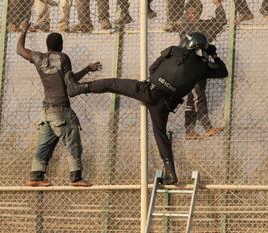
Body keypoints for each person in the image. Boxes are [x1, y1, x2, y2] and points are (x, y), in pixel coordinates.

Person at [65, 32, 228, 184]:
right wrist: (213, 55)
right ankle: (171, 173)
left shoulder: (173, 51)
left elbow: (152, 70)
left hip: (149, 92)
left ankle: (79, 88)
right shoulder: (203, 67)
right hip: (165, 104)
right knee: (160, 134)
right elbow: (223, 71)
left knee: (112, 84)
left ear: (188, 43)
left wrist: (161, 79)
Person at [16, 23, 102, 186]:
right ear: (61, 46)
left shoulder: (39, 58)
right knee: (73, 140)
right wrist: (89, 87)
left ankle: (36, 176)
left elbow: (20, 49)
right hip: (61, 110)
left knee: (44, 144)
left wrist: (23, 30)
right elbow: (71, 86)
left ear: (47, 45)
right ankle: (76, 177)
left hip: (46, 111)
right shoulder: (63, 58)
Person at [174, 0, 227, 139]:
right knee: (198, 95)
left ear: (198, 13)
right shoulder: (185, 27)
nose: (189, 15)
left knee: (193, 98)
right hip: (190, 67)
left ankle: (189, 131)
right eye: (188, 12)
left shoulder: (204, 26)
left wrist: (218, 5)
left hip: (200, 66)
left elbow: (221, 22)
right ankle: (206, 126)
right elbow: (181, 25)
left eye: (193, 12)